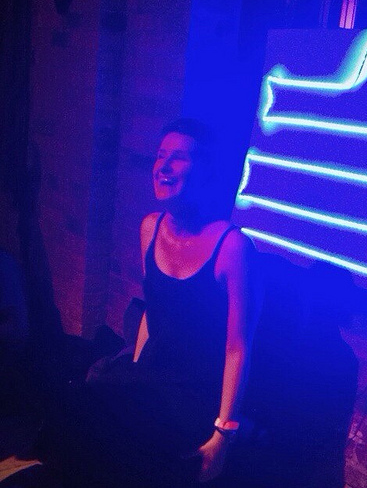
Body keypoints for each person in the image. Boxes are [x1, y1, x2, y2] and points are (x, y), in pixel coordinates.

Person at [129, 118, 261, 485]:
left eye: (179, 158)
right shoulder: (149, 228)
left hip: (198, 399)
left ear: (206, 171)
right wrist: (134, 375)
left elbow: (238, 348)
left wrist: (223, 435)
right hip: (151, 382)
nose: (164, 166)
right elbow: (152, 309)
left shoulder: (233, 247)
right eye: (161, 156)